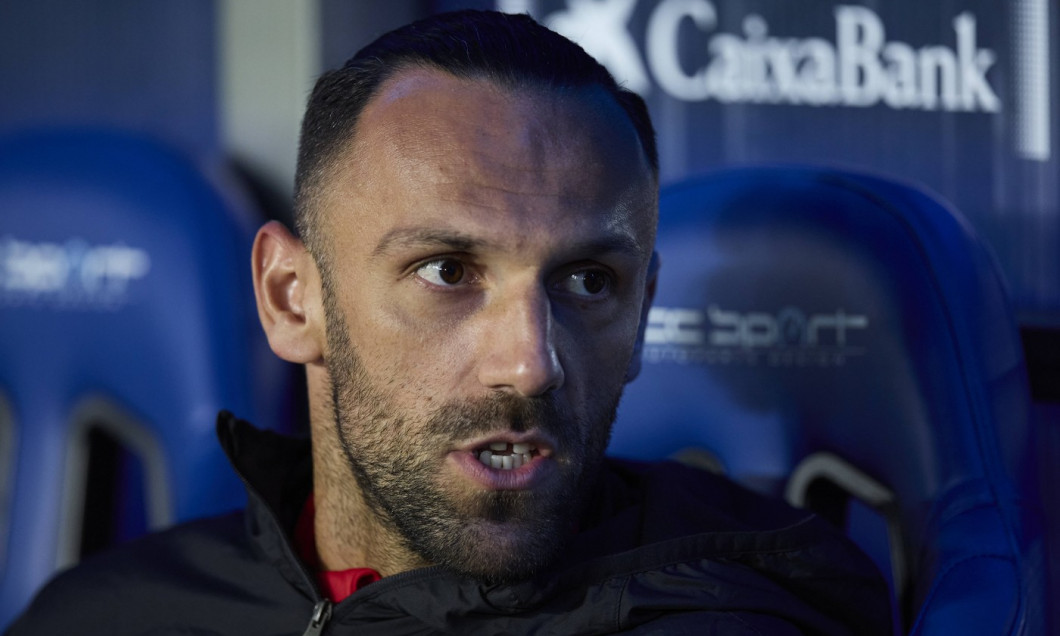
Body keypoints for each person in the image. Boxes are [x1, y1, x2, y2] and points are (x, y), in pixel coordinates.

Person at [8, 10, 890, 635]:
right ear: (290, 298)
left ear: (643, 308)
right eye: (447, 272)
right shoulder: (106, 613)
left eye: (587, 280)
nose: (530, 364)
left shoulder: (725, 617)